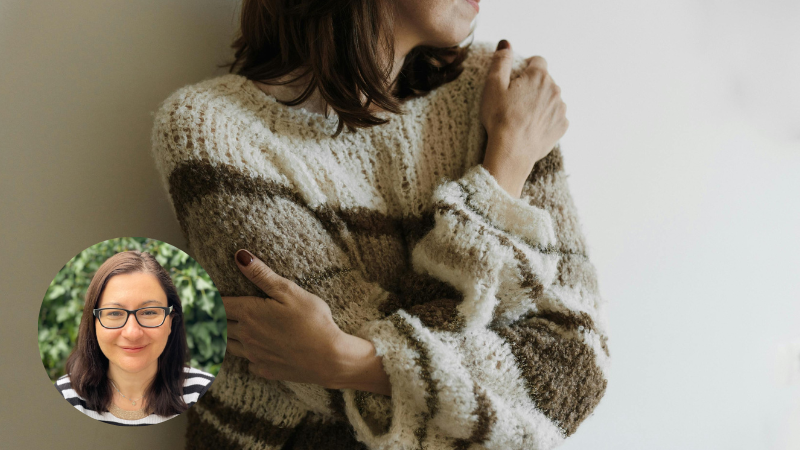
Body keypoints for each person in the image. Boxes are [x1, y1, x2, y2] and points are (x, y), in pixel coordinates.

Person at [151, 0, 610, 448]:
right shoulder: (214, 130)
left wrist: (349, 361)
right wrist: (503, 171)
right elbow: (328, 390)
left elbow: (576, 368)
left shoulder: (502, 99)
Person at [55, 251, 214, 426]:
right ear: (93, 323)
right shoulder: (64, 397)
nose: (132, 333)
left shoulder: (208, 394)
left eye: (149, 312)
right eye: (115, 313)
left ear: (171, 320)